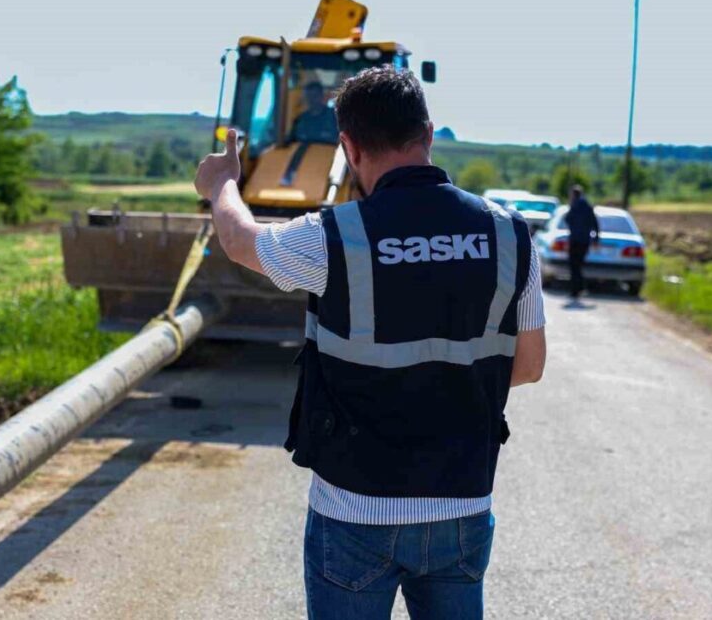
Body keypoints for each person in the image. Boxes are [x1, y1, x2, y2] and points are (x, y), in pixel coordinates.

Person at [194, 66, 546, 619]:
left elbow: (240, 241)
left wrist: (221, 185)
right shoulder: (511, 234)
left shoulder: (334, 236)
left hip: (354, 511)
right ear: (428, 134)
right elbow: (527, 367)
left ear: (349, 147)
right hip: (462, 504)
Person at [564, 185, 599, 299]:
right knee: (578, 264)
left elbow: (567, 219)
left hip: (575, 240)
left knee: (574, 265)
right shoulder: (588, 206)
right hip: (584, 241)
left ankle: (577, 289)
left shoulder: (574, 205)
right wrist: (595, 239)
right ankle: (579, 287)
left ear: (574, 194)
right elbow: (595, 223)